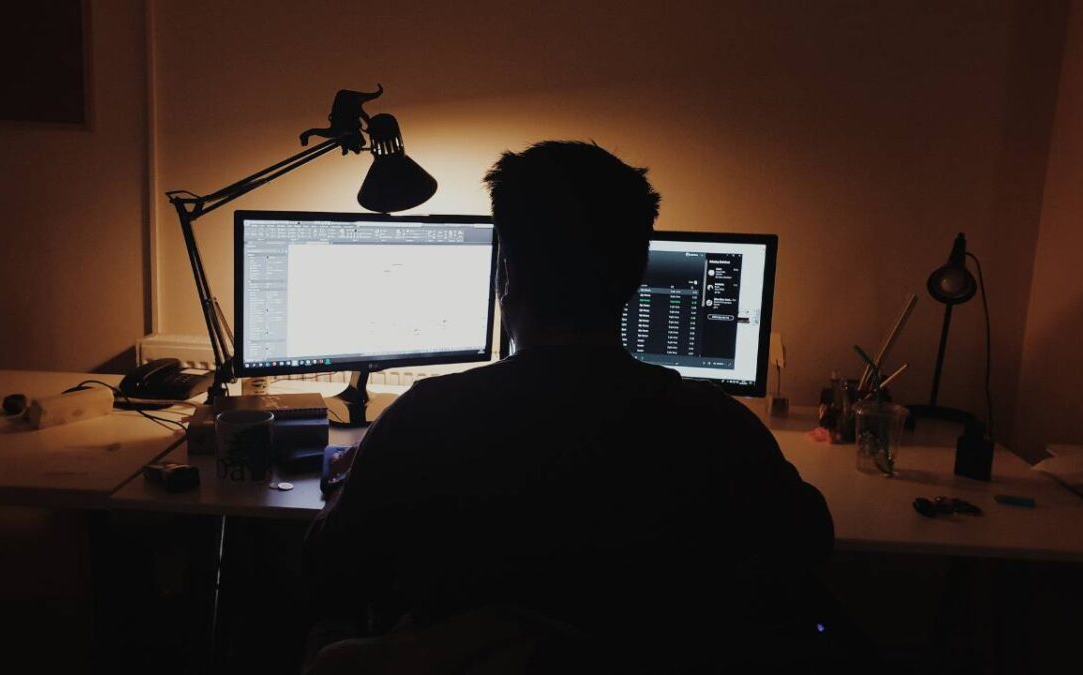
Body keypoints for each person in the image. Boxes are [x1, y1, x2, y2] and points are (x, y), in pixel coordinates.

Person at [304, 141, 833, 672]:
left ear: (506, 276)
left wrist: (346, 482)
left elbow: (329, 565)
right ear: (634, 276)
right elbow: (809, 540)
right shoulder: (717, 424)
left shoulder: (425, 417)